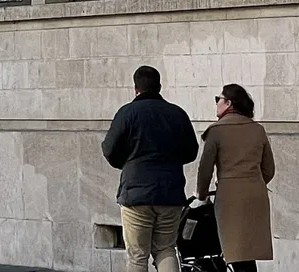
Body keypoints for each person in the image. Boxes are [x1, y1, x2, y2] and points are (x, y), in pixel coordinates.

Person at [101, 65, 199, 272]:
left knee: (138, 256)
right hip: (170, 192)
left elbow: (109, 150)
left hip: (136, 193)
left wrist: (126, 164)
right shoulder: (177, 113)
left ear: (136, 88)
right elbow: (191, 152)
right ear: (159, 87)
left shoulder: (127, 113)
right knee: (166, 248)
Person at [196, 83, 275, 271]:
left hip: (230, 196)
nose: (216, 103)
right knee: (247, 253)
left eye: (218, 99)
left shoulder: (216, 131)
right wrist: (253, 182)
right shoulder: (257, 129)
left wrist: (202, 194)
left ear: (228, 103)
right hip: (256, 194)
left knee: (235, 251)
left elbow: (205, 169)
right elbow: (269, 169)